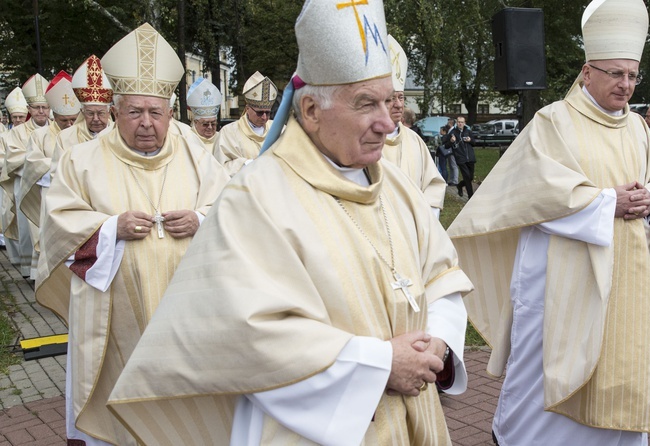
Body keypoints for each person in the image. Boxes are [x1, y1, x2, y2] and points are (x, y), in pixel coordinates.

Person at [106, 1, 473, 444]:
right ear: (312, 111)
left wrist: (438, 341)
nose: (385, 123)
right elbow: (244, 335)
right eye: (365, 104)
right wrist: (379, 364)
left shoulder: (395, 187)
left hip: (417, 414)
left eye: (388, 102)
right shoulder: (256, 198)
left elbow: (443, 276)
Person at [449, 1, 650, 444]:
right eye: (615, 73)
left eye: (632, 75)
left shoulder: (636, 130)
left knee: (622, 366)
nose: (625, 85)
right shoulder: (555, 121)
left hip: (627, 276)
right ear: (587, 73)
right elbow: (535, 190)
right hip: (561, 278)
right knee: (547, 372)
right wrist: (608, 202)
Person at [34, 23, 229, 445]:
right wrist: (110, 228)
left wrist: (199, 219)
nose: (145, 123)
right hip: (114, 324)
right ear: (115, 112)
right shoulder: (80, 162)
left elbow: (232, 214)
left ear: (170, 114)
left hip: (186, 320)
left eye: (155, 112)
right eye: (134, 112)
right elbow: (58, 227)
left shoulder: (198, 157)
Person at [20, 71, 80, 279]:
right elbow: (32, 163)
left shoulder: (82, 133)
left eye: (74, 120)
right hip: (51, 192)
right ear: (54, 116)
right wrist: (62, 165)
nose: (70, 125)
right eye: (64, 120)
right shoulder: (39, 136)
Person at [384, 35, 446, 216]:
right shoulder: (363, 141)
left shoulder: (415, 141)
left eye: (401, 97)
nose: (398, 104)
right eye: (391, 98)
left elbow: (434, 184)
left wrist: (426, 219)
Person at [0, 74, 51, 277]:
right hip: (27, 184)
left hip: (52, 186)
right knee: (29, 229)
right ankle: (31, 271)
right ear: (29, 109)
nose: (41, 111)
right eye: (36, 107)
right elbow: (14, 159)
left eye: (44, 107)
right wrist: (43, 165)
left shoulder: (58, 130)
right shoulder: (17, 133)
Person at [51, 55, 114, 174]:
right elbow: (57, 174)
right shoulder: (65, 138)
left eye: (100, 113)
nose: (95, 119)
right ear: (82, 112)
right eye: (90, 113)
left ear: (109, 111)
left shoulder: (120, 134)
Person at [216, 71, 278, 176]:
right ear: (248, 109)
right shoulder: (229, 133)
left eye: (268, 113)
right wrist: (246, 164)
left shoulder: (279, 129)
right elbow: (220, 167)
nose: (264, 117)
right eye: (259, 113)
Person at [0, 87, 29, 254]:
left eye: (21, 117)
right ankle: (16, 254)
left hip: (27, 179)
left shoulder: (33, 134)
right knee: (10, 215)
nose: (18, 120)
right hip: (10, 181)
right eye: (15, 117)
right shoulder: (5, 136)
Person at [186, 77, 222, 153]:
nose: (210, 127)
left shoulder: (223, 140)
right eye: (205, 124)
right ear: (195, 122)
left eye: (213, 123)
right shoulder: (187, 141)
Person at [449, 116, 476, 198]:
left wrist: (470, 140)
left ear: (464, 123)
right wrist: (451, 141)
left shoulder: (468, 131)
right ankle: (470, 197)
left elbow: (474, 142)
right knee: (467, 177)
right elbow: (446, 145)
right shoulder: (453, 133)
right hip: (461, 158)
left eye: (461, 122)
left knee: (470, 177)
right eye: (458, 122)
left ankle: (460, 185)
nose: (460, 123)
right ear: (456, 123)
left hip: (470, 158)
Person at [445, 117, 459, 185]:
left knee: (454, 165)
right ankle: (452, 179)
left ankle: (455, 180)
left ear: (451, 122)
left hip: (453, 150)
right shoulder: (450, 130)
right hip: (450, 150)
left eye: (448, 122)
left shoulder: (453, 131)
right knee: (451, 165)